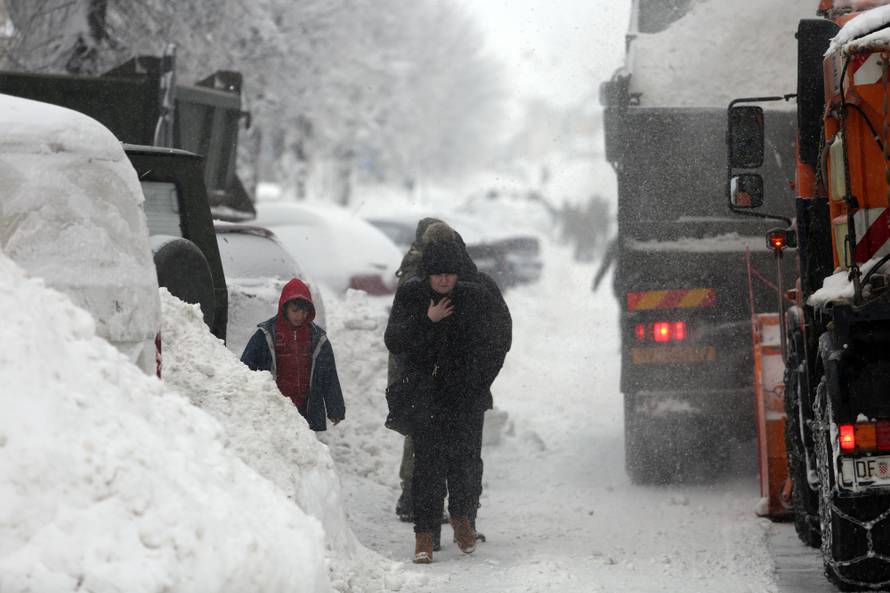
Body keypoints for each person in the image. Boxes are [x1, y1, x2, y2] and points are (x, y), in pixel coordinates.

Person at [391, 219, 512, 546]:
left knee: (447, 460)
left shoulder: (476, 290)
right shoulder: (416, 287)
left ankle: (455, 523)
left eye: (448, 270)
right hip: (434, 392)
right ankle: (436, 527)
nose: (443, 277)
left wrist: (477, 379)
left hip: (458, 392)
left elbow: (498, 339)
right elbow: (398, 340)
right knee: (445, 460)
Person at [241, 277, 345, 431]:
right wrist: (246, 399)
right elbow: (244, 368)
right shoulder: (266, 334)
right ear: (285, 308)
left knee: (302, 442)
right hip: (275, 407)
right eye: (295, 310)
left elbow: (329, 375)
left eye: (304, 311)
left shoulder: (317, 338)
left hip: (306, 408)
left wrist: (335, 408)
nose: (300, 316)